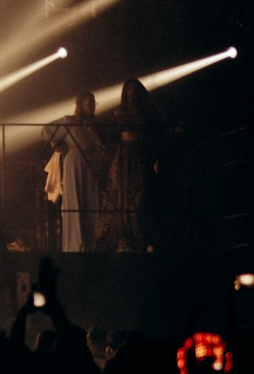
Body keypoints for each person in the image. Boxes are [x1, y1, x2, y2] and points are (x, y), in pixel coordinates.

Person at [102, 79, 170, 254]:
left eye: (133, 89)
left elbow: (158, 130)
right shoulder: (119, 112)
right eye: (128, 89)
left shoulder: (147, 111)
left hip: (140, 153)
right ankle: (123, 241)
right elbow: (111, 135)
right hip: (123, 155)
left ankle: (143, 240)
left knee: (139, 199)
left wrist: (155, 156)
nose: (131, 92)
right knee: (120, 197)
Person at [45, 93, 112, 254]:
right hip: (74, 161)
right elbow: (47, 129)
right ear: (80, 104)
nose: (91, 105)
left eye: (93, 102)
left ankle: (91, 245)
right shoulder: (70, 121)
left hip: (90, 164)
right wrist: (57, 144)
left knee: (91, 202)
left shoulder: (92, 126)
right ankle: (74, 247)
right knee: (75, 201)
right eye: (88, 102)